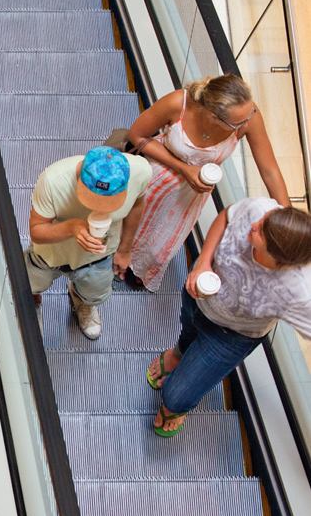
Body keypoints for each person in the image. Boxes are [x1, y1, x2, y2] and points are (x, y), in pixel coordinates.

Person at [146, 199, 311, 436]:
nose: (254, 224)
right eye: (263, 220)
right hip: (199, 296)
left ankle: (175, 407)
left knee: (174, 397)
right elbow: (226, 217)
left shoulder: (297, 292)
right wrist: (203, 262)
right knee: (188, 329)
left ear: (280, 259)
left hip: (231, 336)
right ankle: (180, 353)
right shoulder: (261, 210)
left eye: (262, 231)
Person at [125, 76, 288, 292]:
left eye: (249, 115)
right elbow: (137, 135)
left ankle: (137, 267)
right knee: (128, 220)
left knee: (159, 241)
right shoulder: (178, 103)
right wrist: (184, 168)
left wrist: (286, 219)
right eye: (238, 123)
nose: (248, 124)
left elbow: (269, 170)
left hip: (190, 195)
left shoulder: (247, 115)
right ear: (213, 116)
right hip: (154, 176)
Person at [26, 146, 151, 340]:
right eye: (92, 199)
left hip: (101, 253)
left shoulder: (141, 171)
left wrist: (125, 249)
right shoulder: (53, 181)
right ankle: (33, 302)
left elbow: (137, 205)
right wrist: (71, 228)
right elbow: (36, 231)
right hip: (50, 253)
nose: (98, 208)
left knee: (93, 292)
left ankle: (82, 300)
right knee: (30, 284)